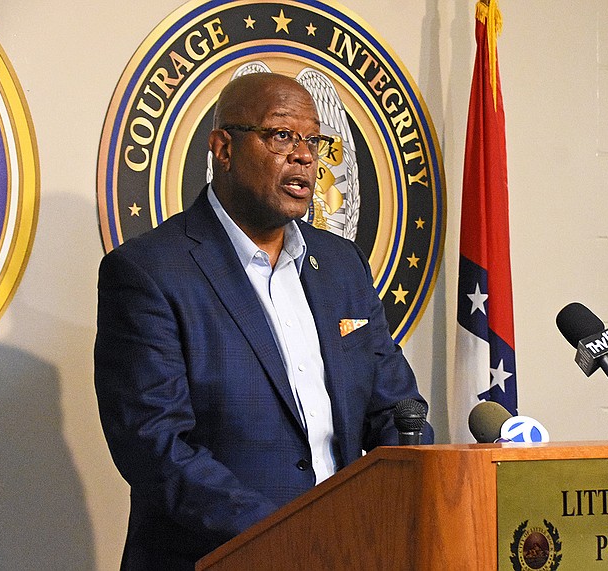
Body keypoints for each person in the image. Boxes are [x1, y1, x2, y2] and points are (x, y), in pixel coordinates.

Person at [94, 72, 433, 570]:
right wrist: (295, 537)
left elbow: (395, 408)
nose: (304, 155)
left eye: (313, 140)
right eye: (281, 136)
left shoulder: (342, 265)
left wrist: (399, 497)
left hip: (350, 552)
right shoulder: (149, 273)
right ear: (222, 149)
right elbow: (157, 448)